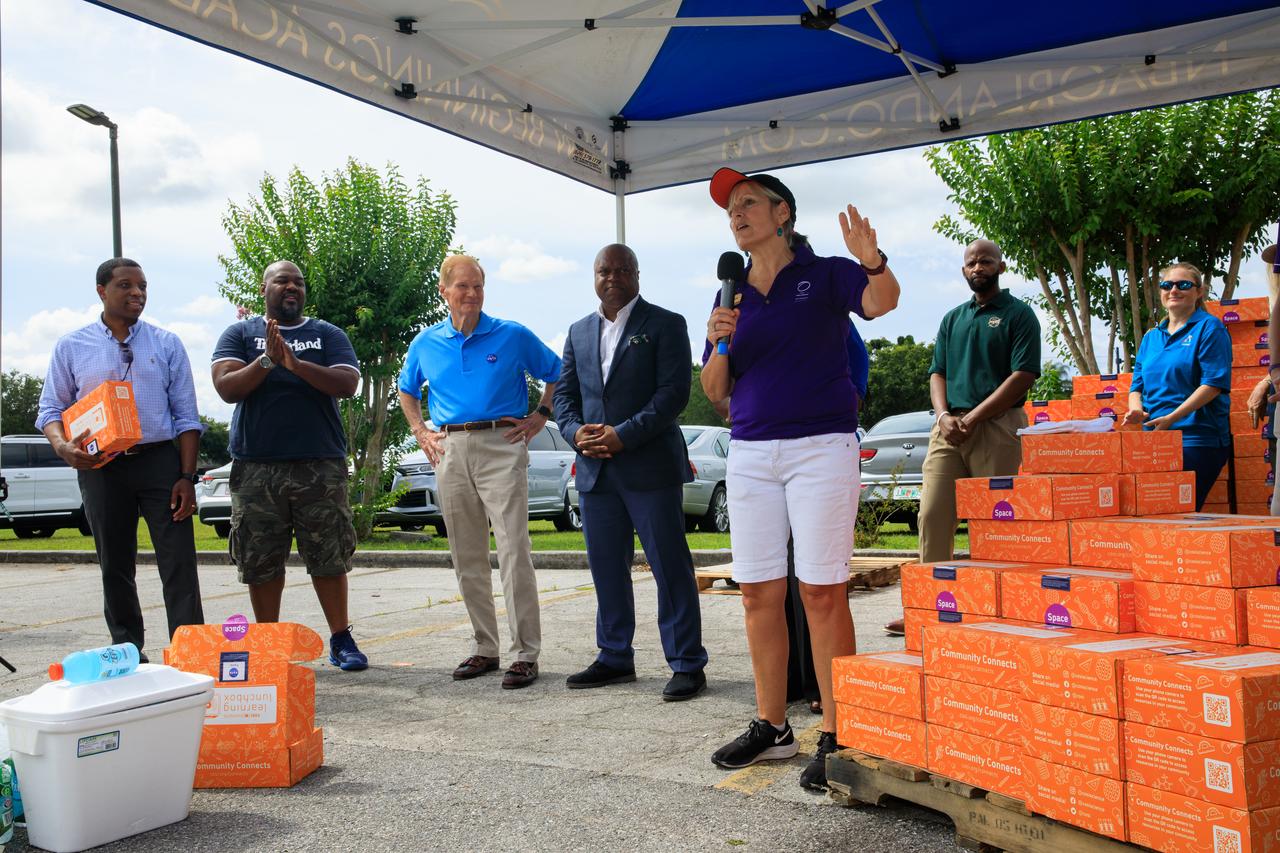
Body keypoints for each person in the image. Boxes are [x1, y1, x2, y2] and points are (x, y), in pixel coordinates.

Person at [700, 167, 900, 791]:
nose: (737, 213)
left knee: (821, 591)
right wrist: (717, 341)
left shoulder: (827, 271)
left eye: (749, 201)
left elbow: (881, 301)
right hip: (752, 453)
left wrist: (874, 260)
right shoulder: (728, 296)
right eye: (731, 207)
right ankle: (773, 727)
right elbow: (714, 394)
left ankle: (840, 735)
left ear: (781, 212)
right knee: (757, 590)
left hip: (821, 447)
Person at [398, 254, 561, 690]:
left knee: (513, 551)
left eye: (478, 286)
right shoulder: (425, 343)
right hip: (449, 447)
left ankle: (525, 653)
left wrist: (540, 415)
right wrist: (420, 431)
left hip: (502, 445)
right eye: (463, 287)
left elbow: (558, 372)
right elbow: (406, 389)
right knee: (467, 555)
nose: (471, 294)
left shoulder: (512, 335)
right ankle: (485, 648)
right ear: (444, 291)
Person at [553, 244, 708, 701]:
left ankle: (686, 663)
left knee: (669, 566)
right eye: (605, 270)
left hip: (649, 466)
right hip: (595, 470)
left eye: (623, 270)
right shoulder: (579, 331)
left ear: (637, 276)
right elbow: (564, 396)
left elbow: (672, 394)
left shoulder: (665, 323)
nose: (613, 277)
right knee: (606, 568)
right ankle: (615, 656)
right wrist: (575, 432)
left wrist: (623, 434)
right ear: (594, 276)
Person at [36, 257, 204, 659]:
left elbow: (186, 416)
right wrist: (63, 447)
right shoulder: (72, 345)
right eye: (126, 286)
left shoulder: (166, 343)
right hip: (101, 468)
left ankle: (189, 648)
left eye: (143, 286)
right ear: (101, 291)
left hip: (160, 463)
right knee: (114, 563)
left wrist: (187, 476)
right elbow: (50, 411)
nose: (137, 294)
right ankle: (128, 648)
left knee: (178, 561)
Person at [211, 260, 368, 671]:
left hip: (320, 463)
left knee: (329, 554)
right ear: (264, 289)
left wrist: (295, 365)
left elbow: (346, 383)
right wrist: (266, 361)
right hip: (257, 465)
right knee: (260, 559)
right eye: (282, 280)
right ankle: (268, 644)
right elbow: (227, 388)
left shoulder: (326, 334)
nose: (291, 286)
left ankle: (341, 638)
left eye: (298, 281)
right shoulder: (240, 334)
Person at [882, 240, 1041, 637]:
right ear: (963, 270)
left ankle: (995, 608)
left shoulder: (1019, 315)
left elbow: (1023, 375)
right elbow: (938, 372)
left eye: (985, 260)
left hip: (998, 427)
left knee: (994, 522)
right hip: (948, 430)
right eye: (970, 262)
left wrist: (973, 416)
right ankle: (926, 607)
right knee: (933, 515)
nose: (977, 267)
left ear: (1001, 266)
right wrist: (942, 416)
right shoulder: (953, 318)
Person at [1123, 262, 1231, 509]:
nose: (1174, 290)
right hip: (1155, 441)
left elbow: (1213, 384)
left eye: (1183, 285)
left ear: (1199, 291)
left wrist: (1172, 417)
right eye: (1167, 285)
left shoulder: (1209, 328)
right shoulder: (1151, 337)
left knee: (1182, 514)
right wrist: (1136, 409)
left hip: (1196, 439)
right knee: (1159, 518)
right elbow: (1136, 384)